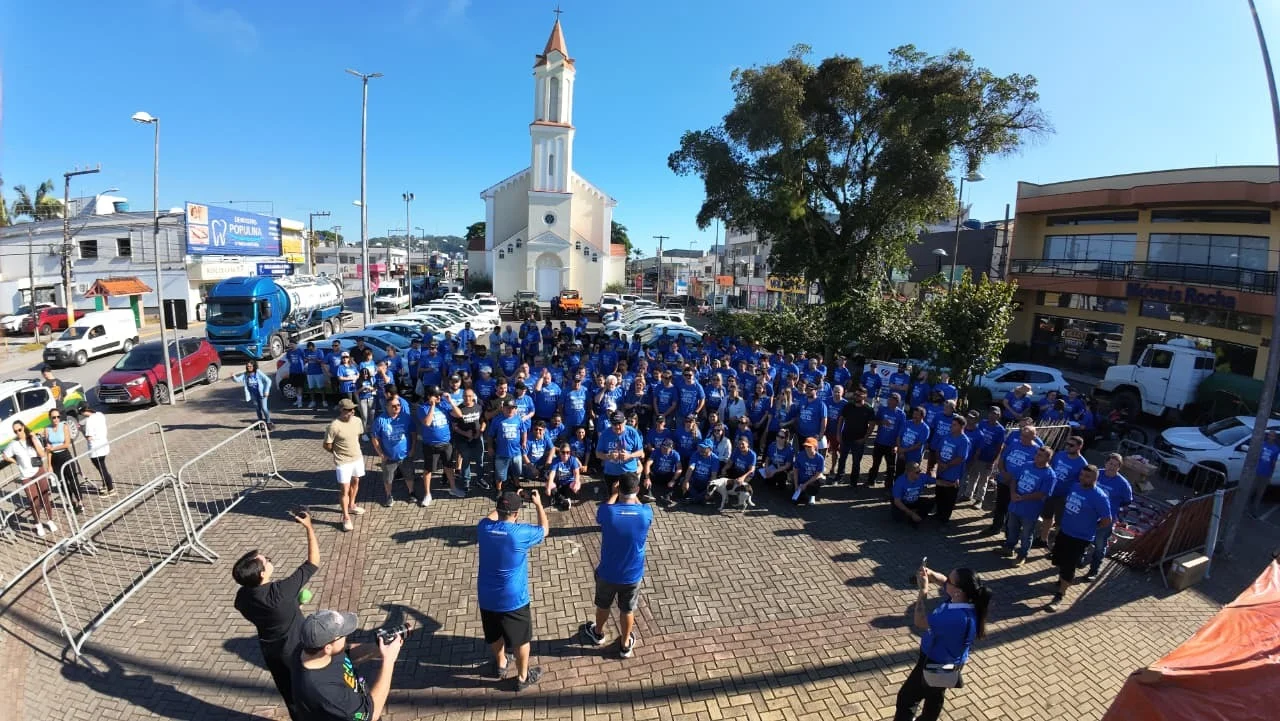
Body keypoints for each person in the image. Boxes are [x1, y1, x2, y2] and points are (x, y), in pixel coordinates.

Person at [233, 509, 320, 721]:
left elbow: (266, 614)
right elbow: (313, 563)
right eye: (267, 560)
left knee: (290, 695)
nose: (270, 560)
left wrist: (293, 605)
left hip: (272, 652)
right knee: (313, 689)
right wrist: (309, 527)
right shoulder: (280, 592)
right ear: (262, 574)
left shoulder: (242, 597)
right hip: (298, 650)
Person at [894, 566, 992, 721]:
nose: (946, 581)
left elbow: (919, 621)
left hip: (933, 662)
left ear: (958, 591)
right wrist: (931, 574)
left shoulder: (954, 617)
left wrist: (923, 591)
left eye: (950, 581)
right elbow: (944, 582)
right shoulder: (969, 601)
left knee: (906, 699)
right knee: (935, 695)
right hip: (951, 664)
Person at [477, 491, 548, 691]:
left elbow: (493, 517)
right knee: (521, 640)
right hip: (514, 599)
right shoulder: (521, 534)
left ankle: (500, 664)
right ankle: (522, 677)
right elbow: (545, 529)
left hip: (487, 596)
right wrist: (538, 504)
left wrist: (504, 504)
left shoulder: (484, 528)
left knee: (494, 634)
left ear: (498, 510)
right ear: (516, 514)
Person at [581, 473, 654, 658]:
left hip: (608, 573)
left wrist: (614, 494)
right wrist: (631, 494)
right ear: (637, 490)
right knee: (627, 609)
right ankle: (624, 643)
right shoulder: (646, 513)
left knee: (603, 605)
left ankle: (597, 633)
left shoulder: (608, 512)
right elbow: (636, 503)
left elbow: (604, 510)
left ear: (618, 488)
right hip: (632, 575)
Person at [290, 609, 402, 721]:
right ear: (327, 648)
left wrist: (379, 648)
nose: (346, 637)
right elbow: (371, 714)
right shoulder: (326, 692)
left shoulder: (308, 647)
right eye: (342, 635)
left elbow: (346, 652)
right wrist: (388, 660)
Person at [1046, 464, 1112, 612]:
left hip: (1080, 538)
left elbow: (1107, 521)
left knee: (1069, 565)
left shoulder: (1099, 497)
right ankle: (1069, 573)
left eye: (1087, 476)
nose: (1083, 478)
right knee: (1059, 559)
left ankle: (1060, 595)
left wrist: (1089, 527)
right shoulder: (1075, 486)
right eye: (1082, 475)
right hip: (1065, 532)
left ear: (1095, 478)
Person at [1001, 446, 1056, 565]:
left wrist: (1023, 497)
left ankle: (1022, 555)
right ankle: (1009, 548)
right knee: (1011, 527)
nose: (1036, 456)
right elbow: (1015, 480)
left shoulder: (1050, 475)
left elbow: (1043, 494)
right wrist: (1012, 493)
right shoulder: (1026, 465)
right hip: (1015, 504)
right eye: (1036, 454)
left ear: (1048, 458)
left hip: (1030, 510)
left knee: (1026, 533)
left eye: (1040, 455)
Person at [3, 421, 55, 537]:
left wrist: (33, 439)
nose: (18, 432)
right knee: (34, 501)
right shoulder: (13, 444)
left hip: (38, 470)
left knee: (45, 496)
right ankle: (38, 524)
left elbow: (42, 454)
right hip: (26, 475)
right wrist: (16, 462)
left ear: (23, 427)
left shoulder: (32, 438)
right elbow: (5, 456)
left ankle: (50, 520)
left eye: (19, 429)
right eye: (15, 431)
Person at [1087, 453, 1134, 581]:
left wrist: (1112, 506)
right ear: (1105, 463)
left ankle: (1094, 570)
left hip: (1106, 519)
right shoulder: (1097, 474)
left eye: (1115, 465)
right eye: (1110, 463)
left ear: (1119, 467)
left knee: (1100, 544)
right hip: (1089, 514)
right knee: (1083, 539)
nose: (1112, 467)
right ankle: (1079, 559)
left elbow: (1127, 500)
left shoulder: (1123, 484)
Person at [324, 399, 365, 532]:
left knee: (356, 481)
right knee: (344, 489)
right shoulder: (334, 426)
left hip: (357, 457)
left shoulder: (357, 421)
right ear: (341, 410)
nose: (352, 411)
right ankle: (346, 517)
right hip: (343, 462)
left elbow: (357, 437)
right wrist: (338, 453)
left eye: (353, 409)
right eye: (348, 410)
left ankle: (352, 505)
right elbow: (327, 445)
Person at [371, 395, 418, 508]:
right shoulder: (380, 420)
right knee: (388, 478)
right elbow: (375, 438)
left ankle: (411, 493)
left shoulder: (406, 417)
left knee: (409, 475)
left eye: (398, 405)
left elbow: (414, 434)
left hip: (405, 455)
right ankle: (389, 495)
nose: (396, 407)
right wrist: (381, 453)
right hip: (389, 456)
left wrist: (412, 449)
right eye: (393, 406)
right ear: (387, 407)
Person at [1041, 436, 1088, 547]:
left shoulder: (1082, 463)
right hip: (1051, 491)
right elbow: (1051, 468)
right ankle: (1043, 539)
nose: (1068, 446)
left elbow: (1080, 483)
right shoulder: (1060, 454)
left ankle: (1057, 546)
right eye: (1067, 444)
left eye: (1071, 445)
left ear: (1079, 447)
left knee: (1060, 523)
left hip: (1065, 497)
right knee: (1047, 517)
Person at [42, 408, 86, 514]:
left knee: (73, 479)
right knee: (62, 482)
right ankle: (71, 502)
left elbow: (67, 444)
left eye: (58, 417)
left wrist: (53, 448)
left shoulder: (64, 426)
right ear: (50, 418)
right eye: (53, 417)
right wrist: (49, 465)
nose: (56, 419)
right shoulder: (47, 429)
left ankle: (80, 501)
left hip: (65, 455)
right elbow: (48, 448)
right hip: (54, 459)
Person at [933, 416, 971, 525]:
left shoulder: (964, 441)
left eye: (954, 425)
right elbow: (938, 450)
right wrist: (939, 462)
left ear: (961, 426)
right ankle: (938, 514)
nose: (951, 426)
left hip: (952, 474)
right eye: (952, 424)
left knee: (949, 499)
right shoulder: (946, 436)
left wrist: (947, 465)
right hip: (941, 471)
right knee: (939, 494)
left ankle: (944, 519)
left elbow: (961, 457)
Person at [835, 387, 875, 485]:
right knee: (842, 459)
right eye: (855, 394)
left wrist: (864, 438)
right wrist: (838, 434)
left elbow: (872, 425)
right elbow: (841, 420)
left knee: (856, 462)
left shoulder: (868, 409)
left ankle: (853, 481)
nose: (856, 396)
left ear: (865, 396)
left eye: (859, 395)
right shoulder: (848, 406)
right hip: (846, 437)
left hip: (859, 440)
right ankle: (839, 477)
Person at [596, 410, 645, 488]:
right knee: (613, 497)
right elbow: (598, 454)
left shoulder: (632, 432)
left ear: (625, 421)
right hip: (611, 473)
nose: (617, 426)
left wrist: (630, 455)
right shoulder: (605, 434)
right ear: (610, 423)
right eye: (614, 424)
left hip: (629, 472)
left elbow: (640, 452)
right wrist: (609, 456)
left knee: (628, 498)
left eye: (619, 423)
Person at [489, 399, 528, 494]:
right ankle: (499, 489)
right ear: (503, 408)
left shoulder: (518, 419)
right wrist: (490, 447)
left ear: (515, 409)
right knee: (500, 475)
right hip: (502, 453)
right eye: (508, 408)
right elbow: (490, 435)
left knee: (517, 471)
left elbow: (524, 431)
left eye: (512, 408)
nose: (510, 410)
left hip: (516, 452)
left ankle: (516, 484)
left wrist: (524, 442)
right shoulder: (497, 420)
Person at [78, 406, 116, 497]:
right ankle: (105, 485)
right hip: (104, 445)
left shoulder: (89, 421)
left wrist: (82, 430)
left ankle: (110, 488)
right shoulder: (100, 415)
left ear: (83, 412)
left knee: (102, 469)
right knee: (102, 468)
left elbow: (89, 437)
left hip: (95, 449)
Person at [233, 360, 275, 430]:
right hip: (254, 395)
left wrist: (266, 391)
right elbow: (237, 380)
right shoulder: (246, 374)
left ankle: (268, 423)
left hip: (262, 394)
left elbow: (268, 381)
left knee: (264, 409)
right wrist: (233, 377)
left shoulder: (258, 372)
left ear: (254, 366)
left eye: (250, 366)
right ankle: (260, 423)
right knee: (258, 409)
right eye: (247, 366)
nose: (248, 367)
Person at [891, 462, 934, 527]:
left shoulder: (922, 477)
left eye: (920, 471)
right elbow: (897, 501)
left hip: (914, 501)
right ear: (909, 473)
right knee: (898, 518)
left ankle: (915, 516)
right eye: (917, 472)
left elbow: (938, 482)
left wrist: (951, 483)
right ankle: (911, 514)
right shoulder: (900, 481)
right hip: (903, 502)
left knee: (929, 502)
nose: (919, 473)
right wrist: (912, 514)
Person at [544, 443, 583, 510]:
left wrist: (576, 483)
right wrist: (548, 488)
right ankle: (563, 499)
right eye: (563, 452)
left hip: (569, 482)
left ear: (570, 452)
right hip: (558, 482)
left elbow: (576, 473)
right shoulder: (556, 460)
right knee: (548, 484)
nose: (565, 454)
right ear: (560, 453)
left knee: (577, 485)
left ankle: (558, 498)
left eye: (568, 452)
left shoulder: (573, 460)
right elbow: (552, 474)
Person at [792, 436, 826, 506]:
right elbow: (795, 470)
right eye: (805, 446)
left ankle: (812, 495)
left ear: (815, 447)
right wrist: (796, 485)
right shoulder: (800, 455)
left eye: (809, 447)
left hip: (811, 480)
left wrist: (805, 484)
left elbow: (817, 474)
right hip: (801, 479)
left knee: (821, 479)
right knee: (795, 501)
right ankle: (801, 492)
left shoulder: (820, 458)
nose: (807, 448)